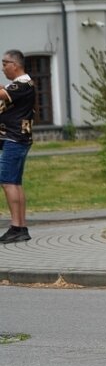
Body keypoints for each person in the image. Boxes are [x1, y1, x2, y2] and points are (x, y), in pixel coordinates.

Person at [0, 49, 35, 244]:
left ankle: (16, 227)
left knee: (8, 182)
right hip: (17, 139)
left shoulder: (23, 84)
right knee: (15, 183)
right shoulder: (21, 85)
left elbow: (3, 95)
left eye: (5, 63)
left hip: (14, 140)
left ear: (15, 65)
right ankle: (20, 227)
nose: (3, 67)